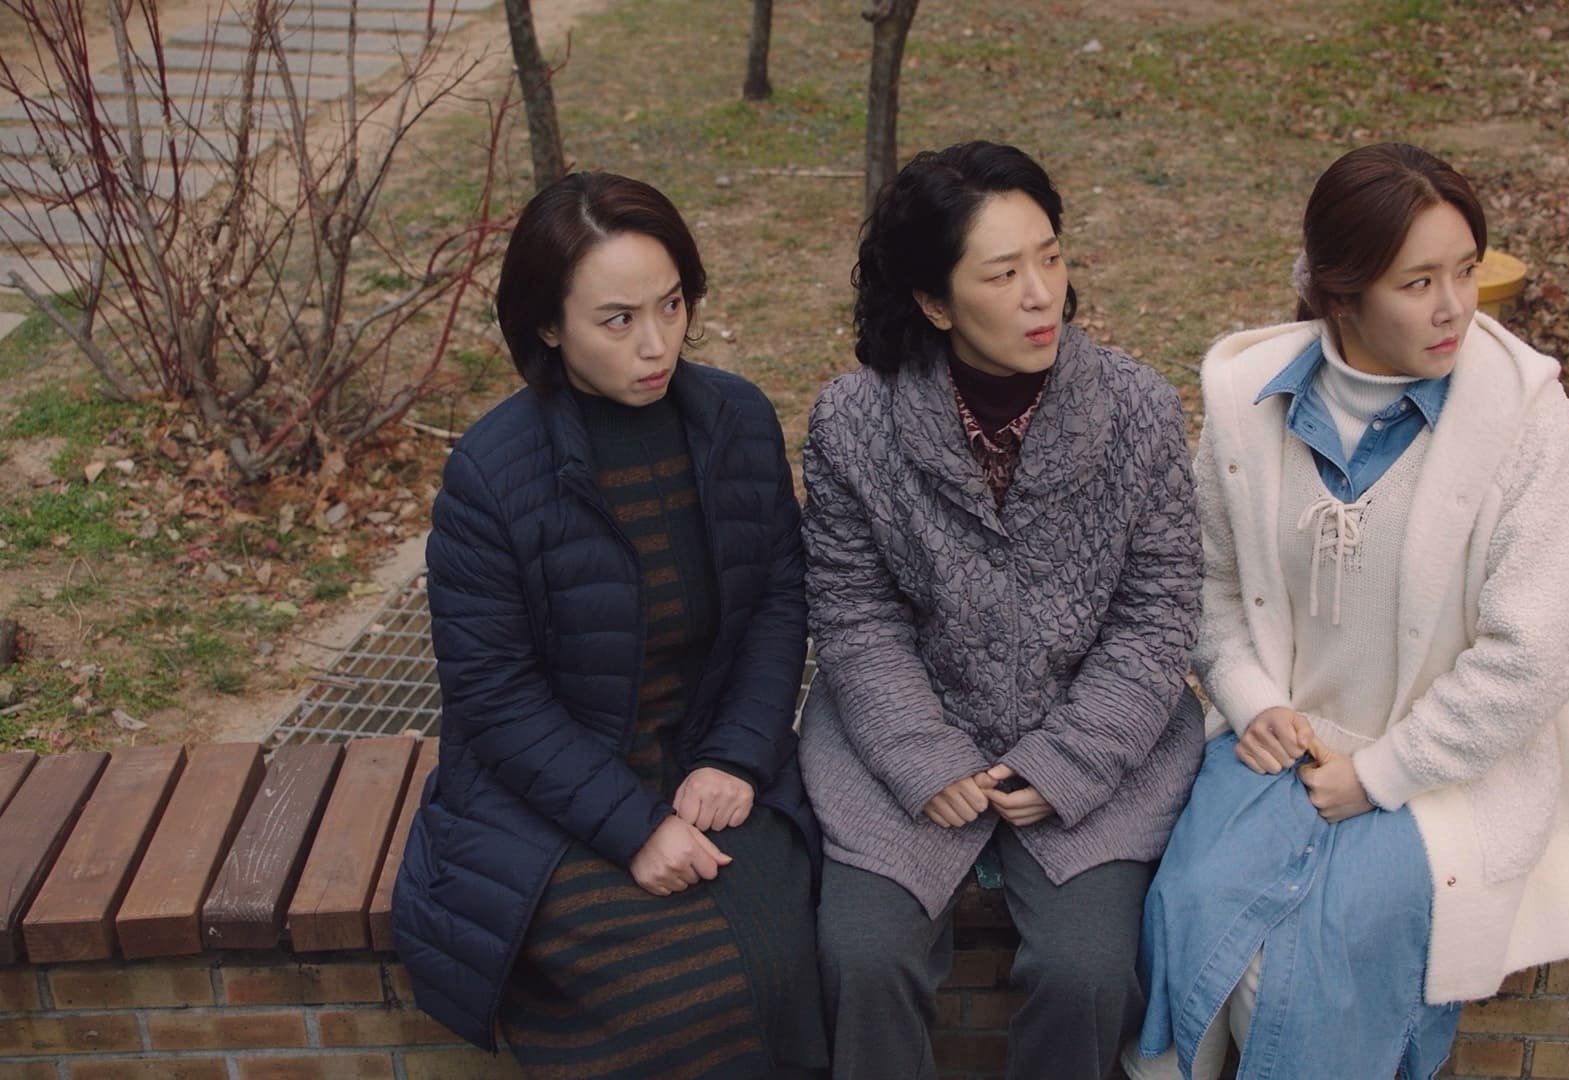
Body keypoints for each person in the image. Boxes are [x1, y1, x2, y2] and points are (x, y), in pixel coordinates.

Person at [1126, 143, 1569, 1080]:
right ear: (1340, 295)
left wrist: (1383, 773)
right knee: (1196, 908)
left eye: (1466, 271)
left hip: (1449, 769)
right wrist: (1252, 695)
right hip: (1282, 742)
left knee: (1325, 957)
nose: (1455, 307)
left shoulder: (1524, 420)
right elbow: (1207, 583)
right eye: (1418, 282)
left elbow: (1539, 651)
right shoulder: (1249, 404)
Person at [390, 172, 828, 1079]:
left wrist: (737, 755)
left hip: (706, 766)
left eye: (671, 305)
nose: (656, 344)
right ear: (550, 326)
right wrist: (633, 827)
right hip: (550, 796)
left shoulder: (736, 421)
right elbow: (493, 695)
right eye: (618, 320)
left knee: (786, 963)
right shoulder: (491, 474)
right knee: (684, 995)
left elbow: (778, 599)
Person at [798, 140, 1204, 1080]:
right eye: (1003, 273)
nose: (1041, 294)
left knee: (1087, 970)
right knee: (861, 958)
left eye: (1050, 258)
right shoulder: (854, 423)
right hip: (901, 748)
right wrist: (922, 754)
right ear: (935, 302)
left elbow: (1157, 615)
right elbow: (854, 615)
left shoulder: (1137, 409)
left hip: (1098, 754)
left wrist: (1069, 760)